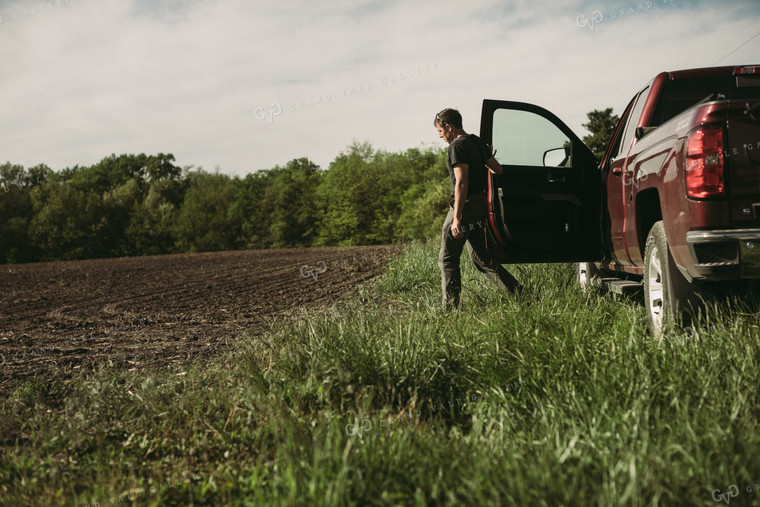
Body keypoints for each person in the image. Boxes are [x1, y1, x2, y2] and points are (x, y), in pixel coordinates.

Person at [434, 108, 522, 310]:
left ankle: (451, 310)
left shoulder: (457, 146)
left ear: (449, 127)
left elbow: (461, 183)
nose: (440, 136)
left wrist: (456, 218)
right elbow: (497, 169)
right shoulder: (476, 142)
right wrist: (485, 156)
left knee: (447, 259)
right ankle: (518, 293)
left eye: (440, 131)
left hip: (465, 207)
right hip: (480, 205)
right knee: (480, 257)